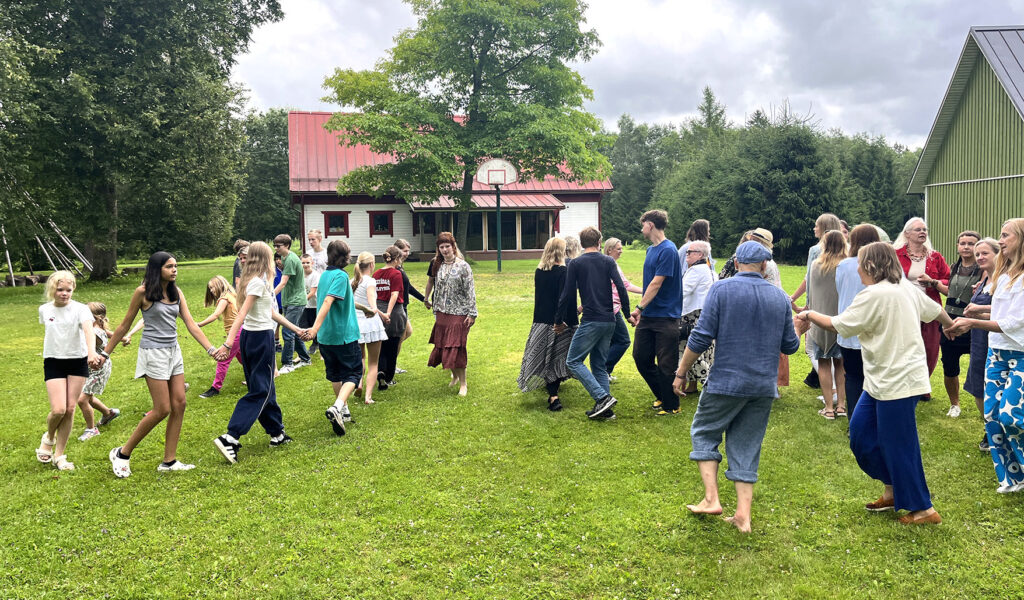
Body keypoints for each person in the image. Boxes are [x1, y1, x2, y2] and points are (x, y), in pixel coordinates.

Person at [798, 242, 953, 524]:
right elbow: (935, 311)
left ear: (871, 265)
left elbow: (838, 324)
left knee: (899, 444)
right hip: (879, 380)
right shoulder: (903, 287)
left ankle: (924, 509)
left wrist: (808, 314)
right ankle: (894, 490)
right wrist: (949, 324)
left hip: (900, 380)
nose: (856, 268)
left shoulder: (879, 293)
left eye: (859, 263)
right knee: (860, 435)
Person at [675, 241, 801, 533]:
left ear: (736, 262)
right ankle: (743, 515)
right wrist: (799, 327)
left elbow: (700, 337)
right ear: (765, 266)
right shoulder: (781, 298)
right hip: (762, 385)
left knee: (704, 431)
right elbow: (790, 347)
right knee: (747, 443)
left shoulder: (721, 289)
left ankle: (711, 499)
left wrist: (681, 372)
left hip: (726, 381)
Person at [104, 252, 218, 477]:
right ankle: (122, 453)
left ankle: (169, 461)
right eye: (169, 266)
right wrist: (105, 354)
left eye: (176, 266)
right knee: (162, 408)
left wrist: (211, 349)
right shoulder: (143, 293)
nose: (175, 270)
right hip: (152, 353)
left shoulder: (177, 293)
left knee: (180, 403)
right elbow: (124, 326)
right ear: (157, 269)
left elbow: (191, 325)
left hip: (173, 351)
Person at [946, 219, 1024, 493]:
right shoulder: (1004, 275)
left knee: (1011, 416)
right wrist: (978, 312)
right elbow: (1003, 314)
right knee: (991, 416)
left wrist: (973, 322)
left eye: (1006, 235)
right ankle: (1013, 477)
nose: (1000, 240)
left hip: (1021, 354)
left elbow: (1015, 322)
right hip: (997, 351)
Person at [212, 242, 303, 464]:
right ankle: (230, 437)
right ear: (267, 259)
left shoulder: (254, 281)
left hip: (252, 338)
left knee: (264, 387)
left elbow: (270, 312)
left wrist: (296, 329)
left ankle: (277, 434)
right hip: (259, 339)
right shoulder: (258, 283)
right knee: (260, 390)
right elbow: (241, 315)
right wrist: (226, 344)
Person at [556, 226, 629, 419]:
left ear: (581, 243)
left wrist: (558, 319)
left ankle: (602, 397)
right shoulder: (607, 261)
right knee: (599, 364)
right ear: (599, 242)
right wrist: (628, 313)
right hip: (609, 320)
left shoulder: (576, 263)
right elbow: (621, 287)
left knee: (573, 360)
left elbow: (567, 293)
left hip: (591, 320)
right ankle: (606, 411)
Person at [36, 271, 103, 471]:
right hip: (54, 361)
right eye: (60, 289)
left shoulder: (81, 309)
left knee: (70, 408)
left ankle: (59, 455)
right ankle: (48, 437)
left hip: (78, 361)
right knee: (59, 409)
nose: (64, 293)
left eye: (68, 290)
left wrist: (91, 353)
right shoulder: (44, 310)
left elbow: (88, 331)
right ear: (52, 289)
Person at [303, 240, 363, 436]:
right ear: (345, 257)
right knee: (354, 373)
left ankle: (344, 410)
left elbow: (342, 303)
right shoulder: (340, 275)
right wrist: (314, 328)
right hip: (342, 335)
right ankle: (337, 407)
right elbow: (328, 301)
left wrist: (368, 309)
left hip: (326, 338)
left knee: (336, 374)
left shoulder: (324, 276)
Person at [629, 210, 683, 416]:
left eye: (643, 224)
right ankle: (663, 394)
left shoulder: (668, 250)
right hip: (649, 316)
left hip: (666, 316)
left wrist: (638, 308)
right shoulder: (651, 250)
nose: (641, 228)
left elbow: (656, 283)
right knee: (641, 358)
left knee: (666, 363)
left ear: (650, 225)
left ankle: (672, 405)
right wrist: (644, 311)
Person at [517, 237, 576, 411]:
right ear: (561, 252)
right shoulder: (563, 272)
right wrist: (562, 321)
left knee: (544, 356)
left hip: (541, 321)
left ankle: (552, 390)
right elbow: (564, 299)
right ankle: (553, 395)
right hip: (560, 323)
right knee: (558, 357)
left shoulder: (539, 271)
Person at [790, 213, 844, 390]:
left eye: (816, 225)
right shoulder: (848, 251)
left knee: (814, 349)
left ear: (824, 227)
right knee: (838, 351)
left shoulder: (815, 251)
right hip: (841, 305)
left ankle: (832, 389)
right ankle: (839, 391)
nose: (814, 228)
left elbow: (810, 280)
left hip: (819, 305)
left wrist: (806, 306)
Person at [894, 217, 951, 384]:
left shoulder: (935, 257)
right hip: (904, 308)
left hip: (930, 307)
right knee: (906, 346)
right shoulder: (896, 254)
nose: (923, 232)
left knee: (930, 347)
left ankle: (922, 385)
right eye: (918, 229)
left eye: (925, 230)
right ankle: (904, 381)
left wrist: (933, 282)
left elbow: (948, 280)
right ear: (907, 233)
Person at [835, 224, 881, 421]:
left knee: (853, 377)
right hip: (876, 329)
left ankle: (855, 419)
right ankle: (875, 417)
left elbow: (839, 290)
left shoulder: (844, 265)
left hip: (849, 327)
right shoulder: (883, 266)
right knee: (876, 376)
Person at [937, 231, 982, 417]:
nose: (966, 247)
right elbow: (951, 293)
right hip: (950, 324)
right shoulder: (954, 267)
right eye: (962, 243)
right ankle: (954, 404)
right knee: (949, 366)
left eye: (971, 243)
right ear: (957, 246)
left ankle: (983, 403)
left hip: (973, 325)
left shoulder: (984, 270)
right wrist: (934, 283)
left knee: (979, 367)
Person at [427, 233, 477, 396]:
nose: (445, 250)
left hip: (460, 312)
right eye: (441, 247)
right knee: (444, 346)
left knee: (456, 346)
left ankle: (463, 384)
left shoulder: (463, 266)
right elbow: (435, 286)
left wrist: (472, 312)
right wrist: (432, 304)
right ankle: (454, 376)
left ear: (453, 247)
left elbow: (470, 290)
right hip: (442, 312)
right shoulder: (437, 264)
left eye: (447, 246)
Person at [805, 230, 847, 419]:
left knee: (823, 363)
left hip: (820, 319)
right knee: (841, 364)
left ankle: (829, 408)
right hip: (842, 320)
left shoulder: (816, 265)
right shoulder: (847, 265)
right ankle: (842, 406)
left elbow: (811, 292)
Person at [962, 238, 999, 451]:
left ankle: (998, 431)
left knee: (996, 386)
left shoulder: (1006, 279)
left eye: (985, 253)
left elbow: (1010, 314)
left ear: (998, 254)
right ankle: (989, 428)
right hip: (978, 339)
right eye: (978, 254)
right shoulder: (984, 278)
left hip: (997, 339)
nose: (980, 257)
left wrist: (977, 311)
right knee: (978, 386)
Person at [75, 302, 123, 441]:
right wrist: (123, 338)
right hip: (93, 367)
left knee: (82, 400)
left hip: (98, 368)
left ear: (95, 317)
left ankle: (91, 429)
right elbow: (109, 333)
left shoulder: (93, 332)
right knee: (87, 397)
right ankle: (108, 413)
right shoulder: (97, 327)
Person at [195, 276, 242, 399]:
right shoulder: (232, 294)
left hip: (235, 332)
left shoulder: (224, 298)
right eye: (209, 288)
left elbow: (216, 315)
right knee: (244, 359)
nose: (211, 291)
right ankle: (257, 379)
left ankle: (215, 388)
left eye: (212, 287)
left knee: (223, 358)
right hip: (240, 330)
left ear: (219, 284)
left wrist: (199, 324)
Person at [679, 240, 716, 393]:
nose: (686, 255)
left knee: (688, 351)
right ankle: (692, 386)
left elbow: (682, 291)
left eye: (690, 252)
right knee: (704, 352)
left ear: (700, 254)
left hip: (692, 315)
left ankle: (712, 383)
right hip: (705, 314)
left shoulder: (696, 270)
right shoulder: (709, 269)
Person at [602, 237, 642, 378]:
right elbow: (625, 286)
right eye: (619, 249)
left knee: (613, 341)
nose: (621, 251)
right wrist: (646, 291)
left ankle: (604, 372)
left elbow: (626, 285)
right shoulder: (611, 265)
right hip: (613, 309)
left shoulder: (609, 264)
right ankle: (604, 371)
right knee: (623, 340)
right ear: (609, 250)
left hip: (610, 308)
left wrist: (646, 291)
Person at [351, 252, 388, 404]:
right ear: (372, 265)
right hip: (371, 324)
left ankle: (359, 383)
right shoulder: (370, 281)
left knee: (360, 358)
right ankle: (368, 396)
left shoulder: (351, 280)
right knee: (373, 362)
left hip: (355, 324)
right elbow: (373, 307)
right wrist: (381, 314)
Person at [274, 234, 312, 374]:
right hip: (288, 300)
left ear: (287, 245)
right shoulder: (284, 258)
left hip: (296, 301)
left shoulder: (290, 259)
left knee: (287, 331)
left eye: (279, 246)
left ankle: (287, 364)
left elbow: (283, 282)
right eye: (275, 245)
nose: (276, 248)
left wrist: (270, 296)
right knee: (295, 331)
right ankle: (305, 359)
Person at [373, 246, 407, 391]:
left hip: (378, 311)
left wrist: (379, 312)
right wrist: (388, 312)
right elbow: (394, 294)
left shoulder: (376, 274)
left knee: (381, 346)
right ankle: (388, 378)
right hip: (394, 311)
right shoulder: (396, 273)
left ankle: (380, 372)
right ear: (397, 259)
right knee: (393, 345)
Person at [394, 238, 428, 374]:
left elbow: (408, 287)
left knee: (408, 332)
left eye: (408, 250)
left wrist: (424, 299)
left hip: (404, 305)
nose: (407, 253)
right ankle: (390, 365)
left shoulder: (400, 266)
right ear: (397, 251)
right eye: (404, 251)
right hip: (399, 306)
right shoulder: (396, 268)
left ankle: (390, 362)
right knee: (399, 337)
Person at [299, 254, 321, 333]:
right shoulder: (299, 275)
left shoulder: (316, 275)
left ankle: (316, 343)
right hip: (304, 305)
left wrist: (301, 301)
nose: (305, 265)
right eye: (303, 263)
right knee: (302, 326)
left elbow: (312, 292)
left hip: (314, 305)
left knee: (314, 326)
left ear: (312, 263)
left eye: (307, 262)